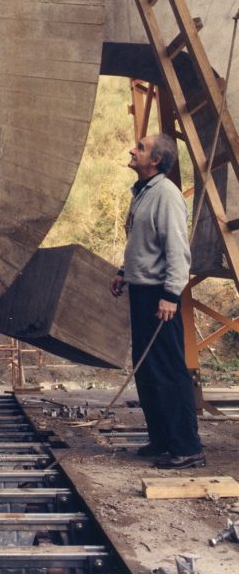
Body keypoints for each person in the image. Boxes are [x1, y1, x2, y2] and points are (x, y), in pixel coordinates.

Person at [110, 133, 205, 469]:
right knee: (148, 370)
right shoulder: (143, 194)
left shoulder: (165, 195)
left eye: (141, 147)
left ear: (156, 161)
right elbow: (142, 242)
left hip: (158, 295)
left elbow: (178, 252)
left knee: (167, 368)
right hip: (141, 290)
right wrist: (124, 270)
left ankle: (187, 446)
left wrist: (170, 295)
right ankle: (163, 439)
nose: (133, 150)